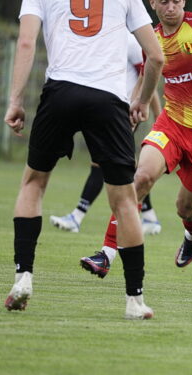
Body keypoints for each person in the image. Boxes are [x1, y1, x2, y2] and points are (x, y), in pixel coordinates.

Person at [78, 0, 192, 279]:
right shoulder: (152, 38)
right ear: (153, 3)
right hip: (172, 124)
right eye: (163, 1)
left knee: (186, 208)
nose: (170, 6)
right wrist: (135, 105)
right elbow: (146, 74)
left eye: (176, 0)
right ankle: (106, 254)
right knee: (140, 178)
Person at [3, 0, 164, 319]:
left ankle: (23, 277)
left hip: (61, 92)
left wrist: (16, 101)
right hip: (108, 100)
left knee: (34, 182)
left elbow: (25, 42)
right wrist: (142, 102)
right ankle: (135, 300)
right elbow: (156, 56)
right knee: (125, 201)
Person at [49, 34, 163, 236]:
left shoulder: (130, 40)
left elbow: (148, 78)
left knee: (103, 163)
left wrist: (158, 115)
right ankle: (150, 216)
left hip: (124, 112)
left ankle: (77, 216)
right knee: (123, 165)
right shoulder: (101, 38)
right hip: (104, 110)